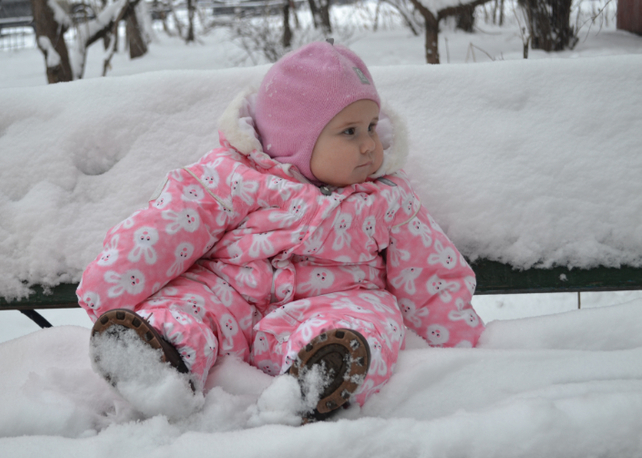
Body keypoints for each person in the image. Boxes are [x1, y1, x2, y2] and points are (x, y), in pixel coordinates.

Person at [77, 40, 484, 421]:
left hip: (334, 299)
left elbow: (427, 270)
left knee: (369, 320)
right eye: (350, 131)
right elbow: (171, 223)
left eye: (371, 127)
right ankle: (160, 361)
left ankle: (322, 374)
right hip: (231, 292)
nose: (367, 145)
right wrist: (110, 285)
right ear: (295, 139)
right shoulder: (234, 177)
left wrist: (456, 338)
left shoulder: (387, 196)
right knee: (186, 304)